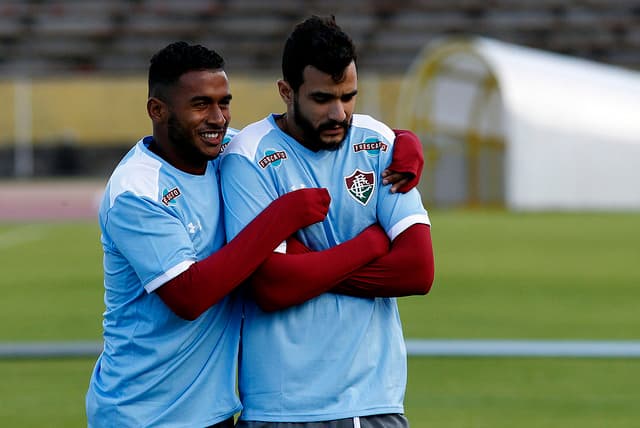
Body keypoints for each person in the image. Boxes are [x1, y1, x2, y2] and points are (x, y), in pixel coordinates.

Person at [85, 41, 424, 427]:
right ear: (157, 110)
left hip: (213, 411)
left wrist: (406, 142)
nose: (217, 118)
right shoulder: (137, 191)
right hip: (141, 412)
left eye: (223, 102)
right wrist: (287, 218)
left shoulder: (224, 151)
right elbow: (190, 295)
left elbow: (320, 124)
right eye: (200, 105)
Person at [220, 15, 435, 428]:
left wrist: (308, 266)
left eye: (349, 96)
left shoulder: (379, 145)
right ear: (286, 91)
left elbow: (417, 270)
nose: (339, 113)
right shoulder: (248, 158)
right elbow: (271, 286)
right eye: (322, 99)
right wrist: (370, 246)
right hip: (281, 407)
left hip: (374, 401)